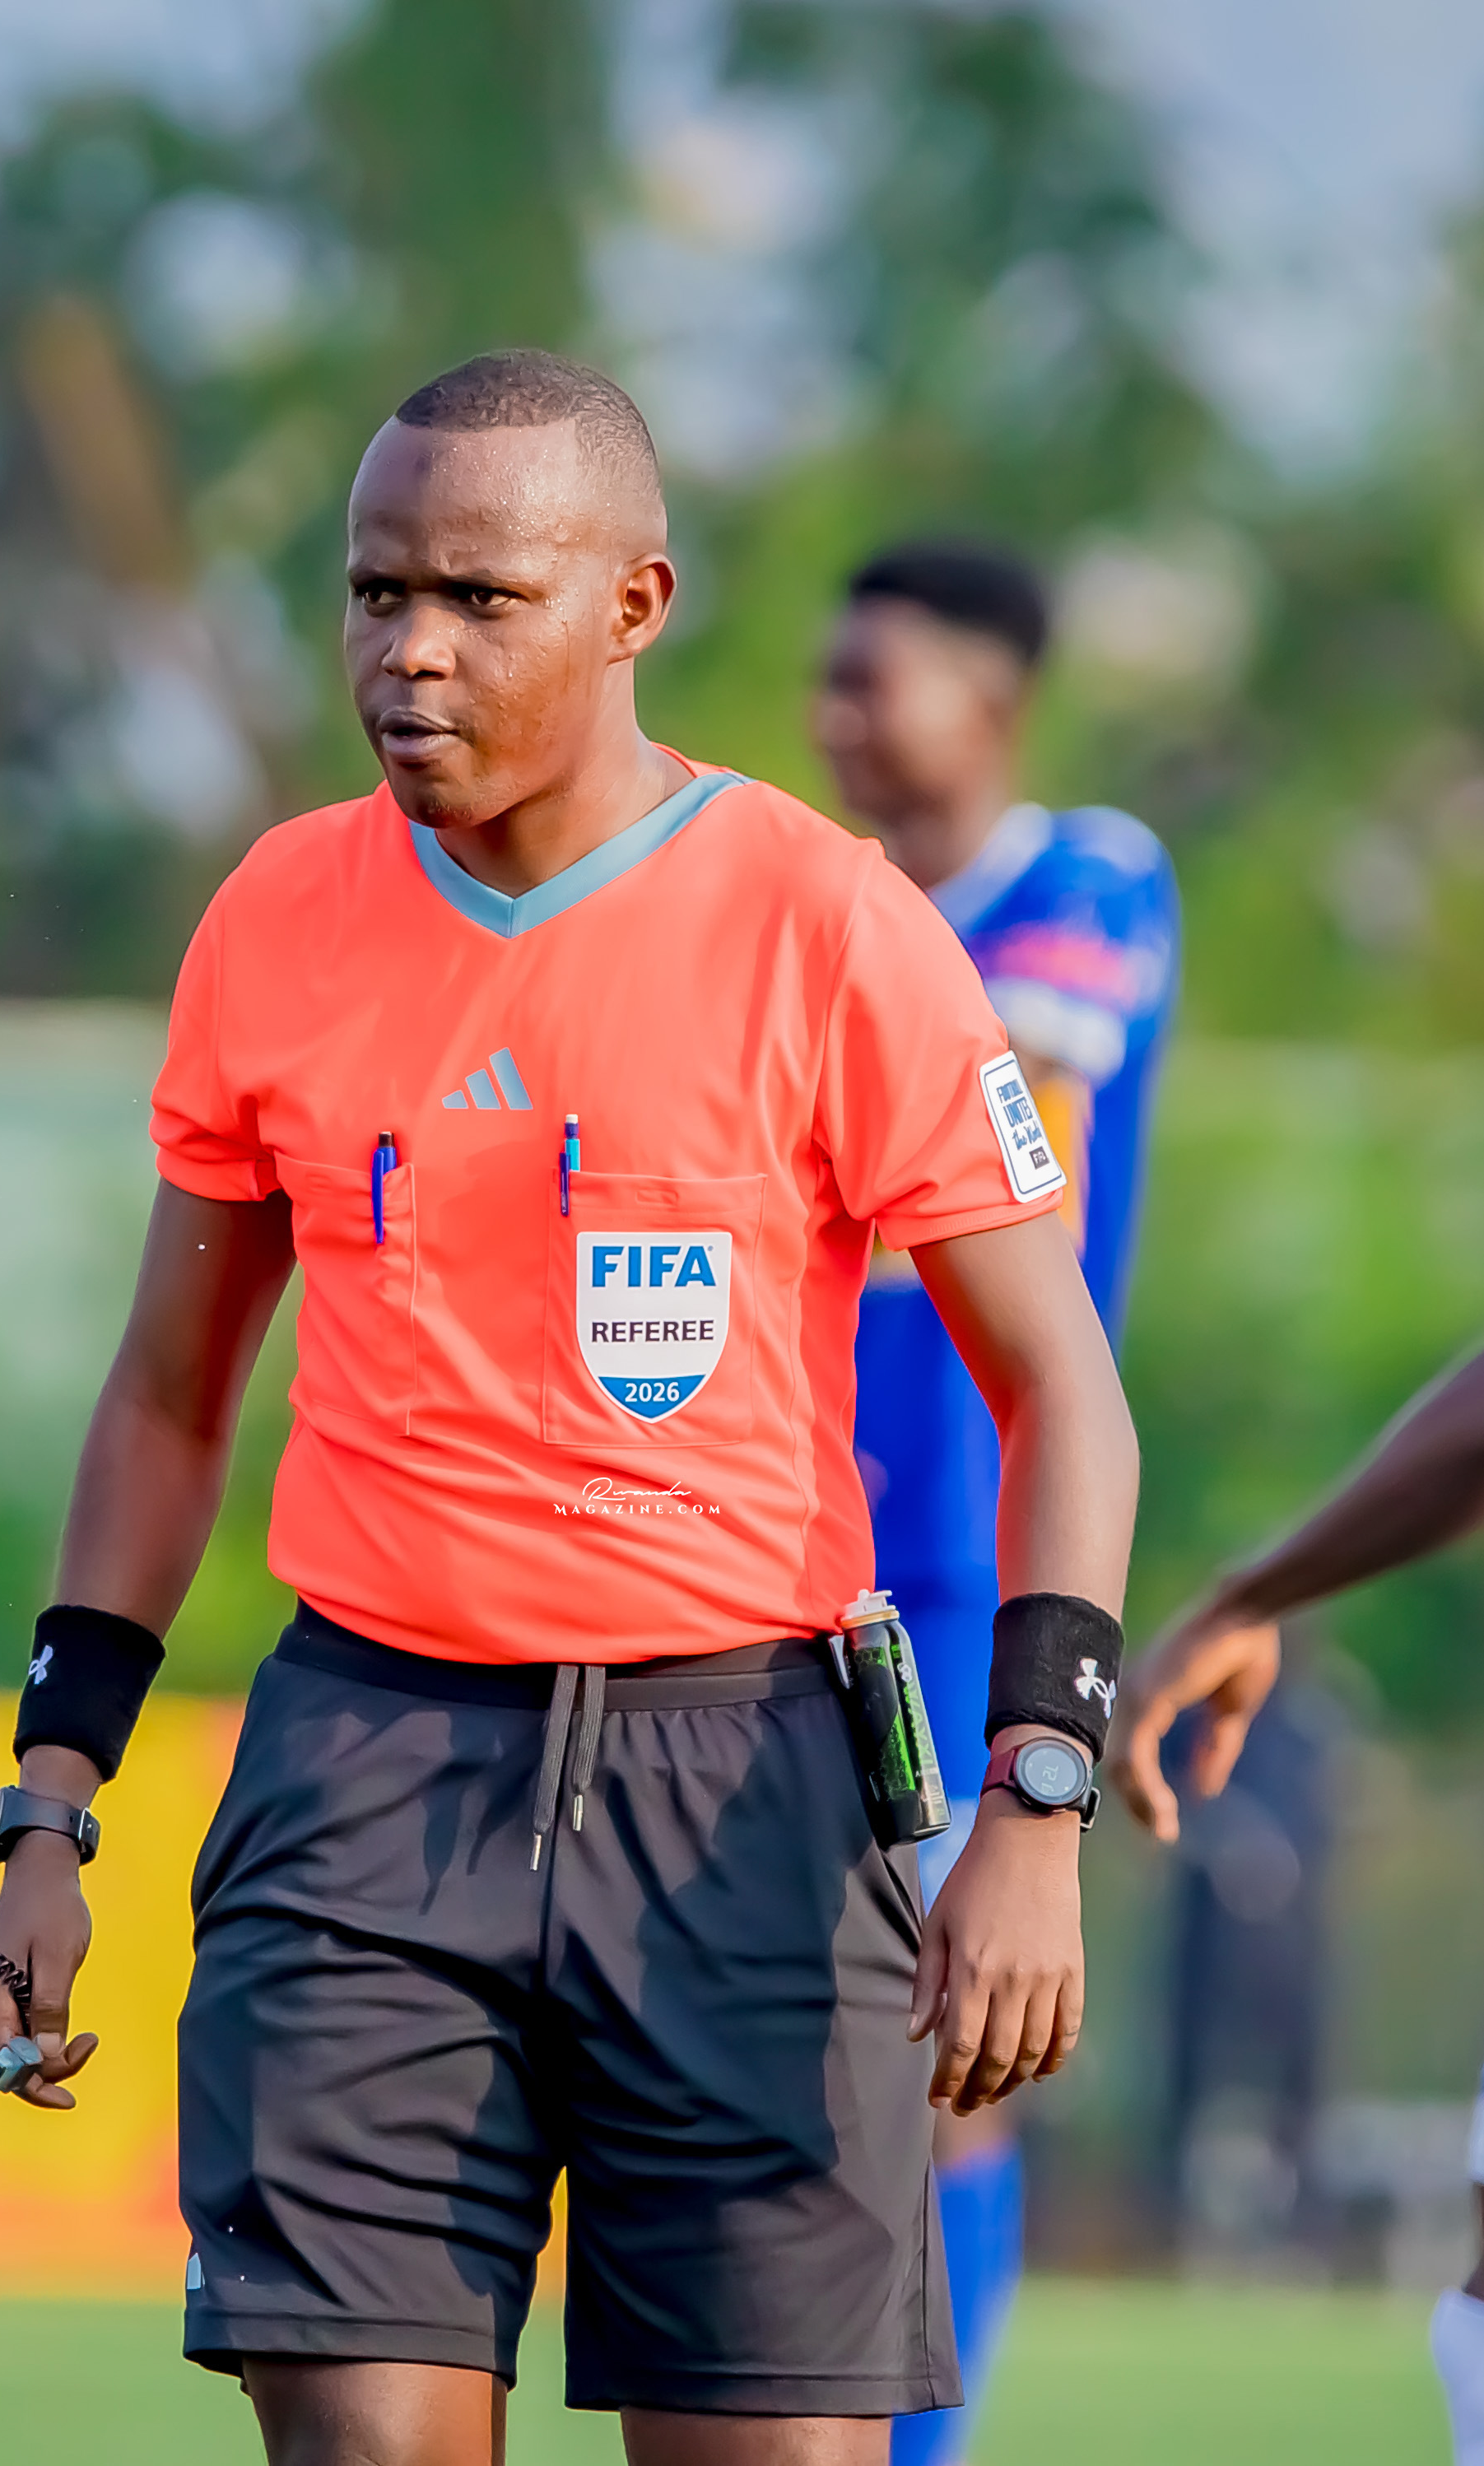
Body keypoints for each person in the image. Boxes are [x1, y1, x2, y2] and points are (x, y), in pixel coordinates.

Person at [0, 352, 1141, 2466]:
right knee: (364, 2438)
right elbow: (165, 1400)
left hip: (749, 1788)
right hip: (368, 1783)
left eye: (480, 599)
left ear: (632, 605)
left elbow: (1063, 1383)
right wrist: (53, 1801)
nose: (410, 650)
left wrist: (1035, 1806)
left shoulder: (831, 923)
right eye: (375, 592)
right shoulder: (275, 920)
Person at [813, 541, 1179, 2466]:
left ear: (994, 699)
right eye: (826, 681)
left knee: (948, 2039)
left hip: (981, 1556)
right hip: (790, 1547)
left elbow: (1014, 1149)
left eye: (870, 678)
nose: (834, 719)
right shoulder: (816, 901)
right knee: (787, 2040)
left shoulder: (1087, 880)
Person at [1110, 1343, 1484, 2458]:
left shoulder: (1329, 1714)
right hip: (1218, 1943)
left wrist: (1248, 1594)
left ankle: (1301, 2231)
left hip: (1296, 1949)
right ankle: (1179, 2230)